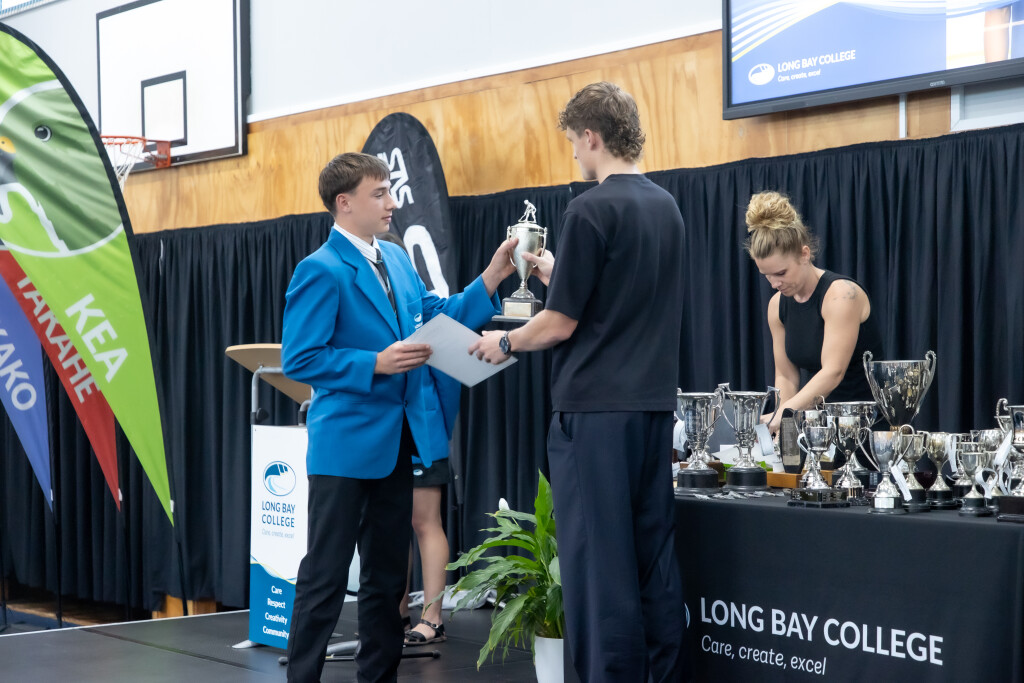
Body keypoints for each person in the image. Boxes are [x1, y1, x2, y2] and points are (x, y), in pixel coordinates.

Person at [470, 82, 687, 683]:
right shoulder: (666, 206)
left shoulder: (589, 208)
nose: (572, 153)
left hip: (594, 416)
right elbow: (617, 300)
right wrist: (557, 274)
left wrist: (504, 342)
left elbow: (561, 323)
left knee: (598, 571)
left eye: (572, 140)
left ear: (591, 136)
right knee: (653, 564)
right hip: (651, 410)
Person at [282, 152, 516, 683]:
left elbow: (436, 317)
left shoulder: (395, 257)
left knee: (387, 579)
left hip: (398, 445)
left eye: (389, 190)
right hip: (344, 450)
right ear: (344, 203)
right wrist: (374, 363)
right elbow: (300, 357)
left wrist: (492, 276)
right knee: (325, 575)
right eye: (379, 193)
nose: (391, 202)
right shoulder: (319, 269)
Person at [745, 191, 884, 434]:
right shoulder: (777, 306)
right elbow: (786, 377)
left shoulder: (840, 295)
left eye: (781, 273)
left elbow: (833, 372)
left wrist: (786, 413)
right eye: (766, 275)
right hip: (819, 429)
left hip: (866, 429)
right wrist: (783, 427)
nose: (774, 284)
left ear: (804, 254)